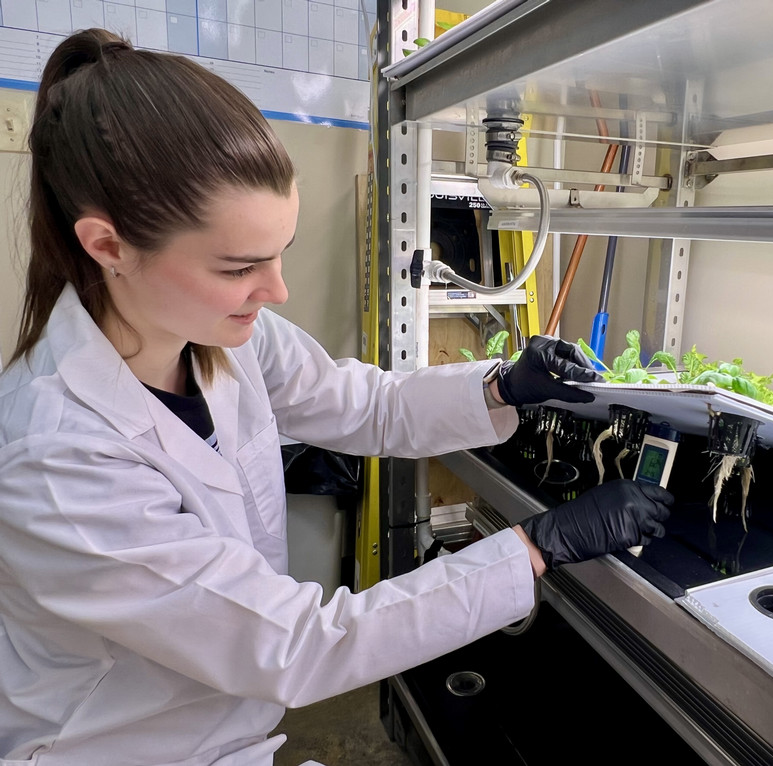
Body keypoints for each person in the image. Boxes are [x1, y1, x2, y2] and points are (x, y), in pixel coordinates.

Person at [0, 29, 673, 765]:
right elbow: (300, 645)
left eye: (278, 252)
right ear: (109, 247)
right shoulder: (57, 455)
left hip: (231, 734)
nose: (277, 290)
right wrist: (533, 549)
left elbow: (368, 407)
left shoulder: (223, 339)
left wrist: (502, 384)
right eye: (239, 267)